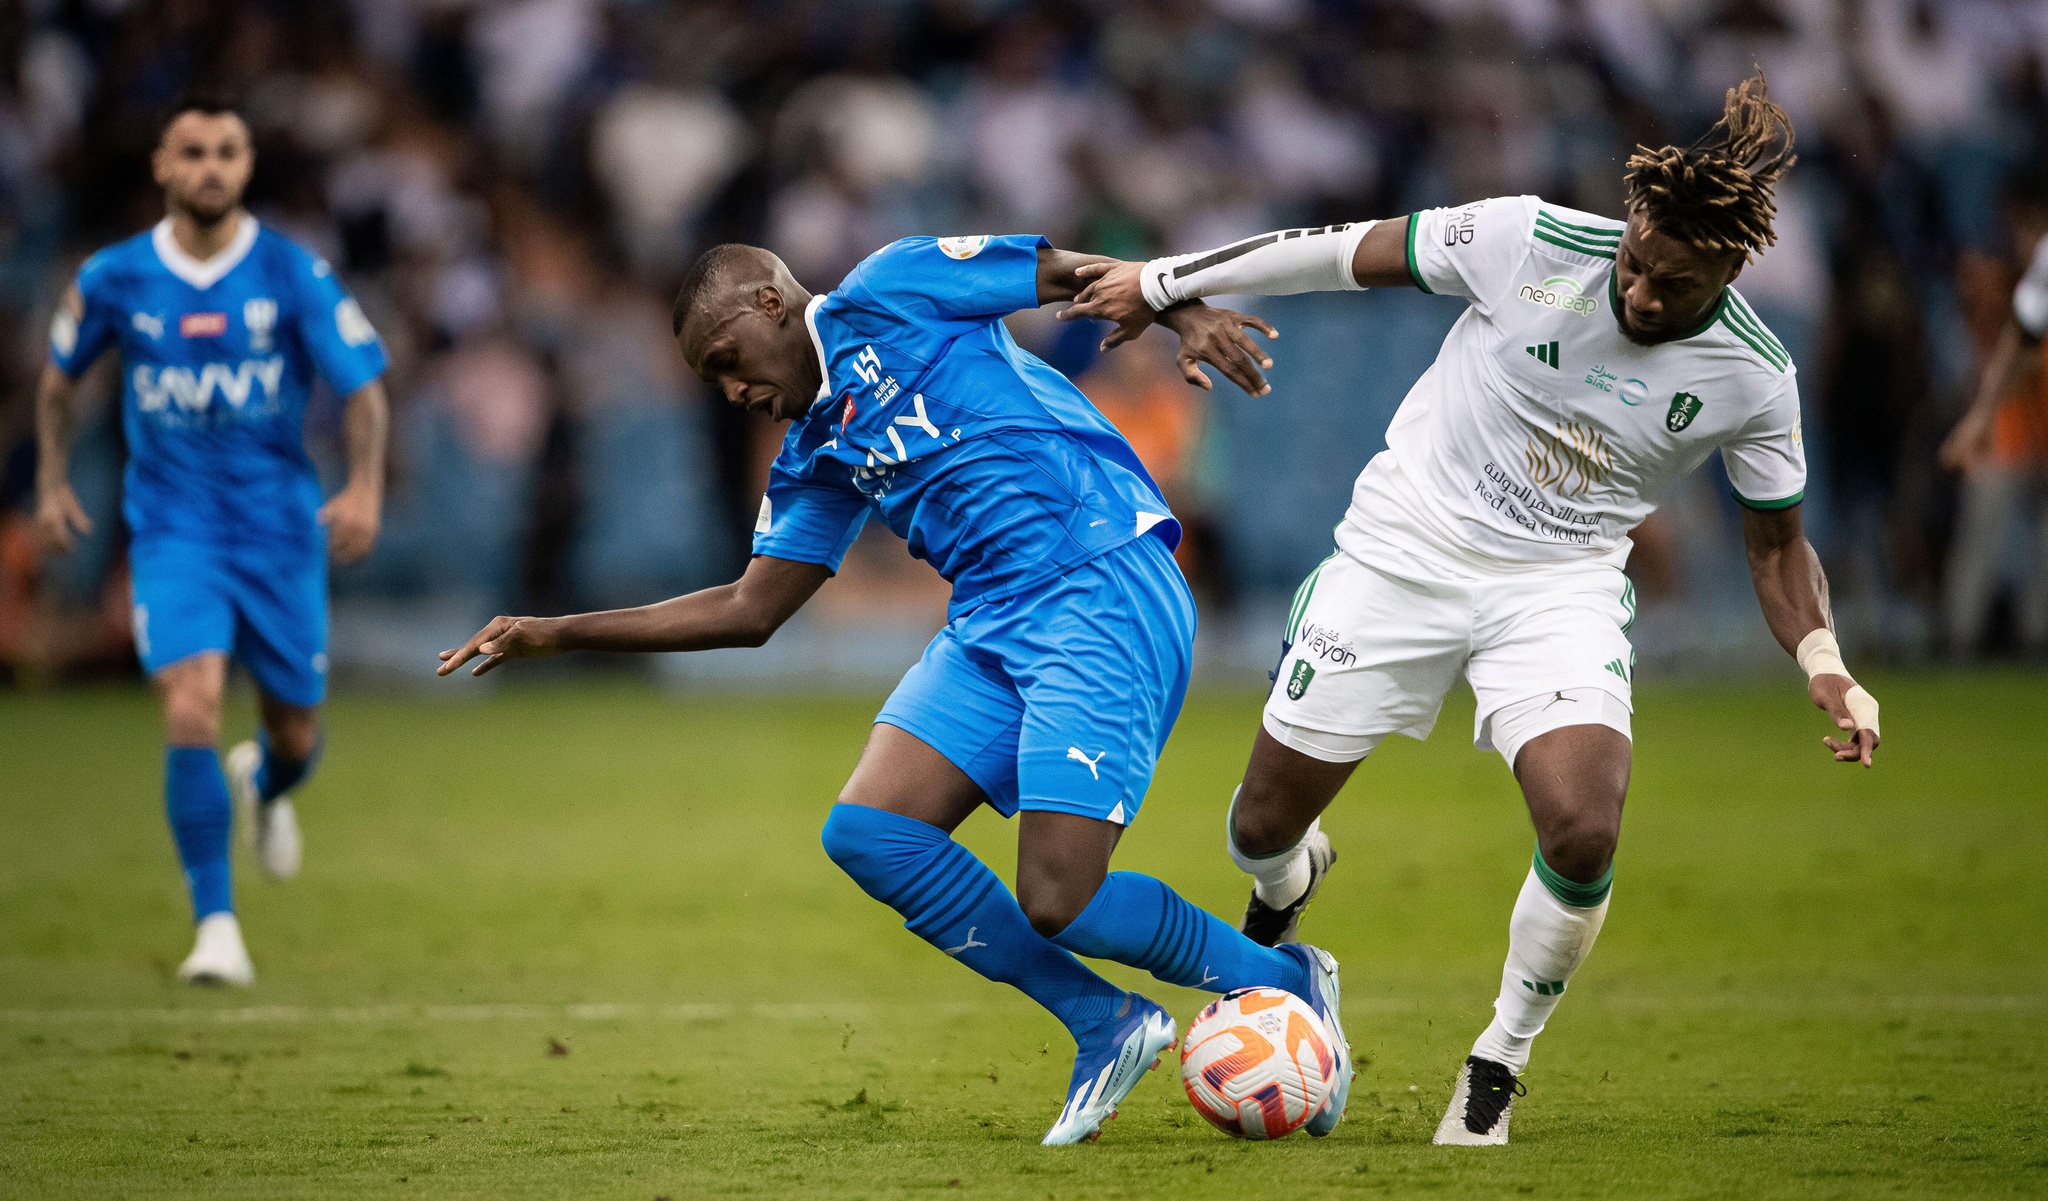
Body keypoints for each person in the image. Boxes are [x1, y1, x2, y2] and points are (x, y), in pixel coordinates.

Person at [1062, 73, 1882, 1144]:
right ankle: (1293, 886)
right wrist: (1163, 280)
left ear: (1726, 272)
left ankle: (1496, 1061)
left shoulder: (1752, 378)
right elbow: (1335, 247)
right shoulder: (1530, 240)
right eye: (1633, 263)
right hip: (1400, 551)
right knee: (1259, 827)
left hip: (1557, 589)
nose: (1637, 293)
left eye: (1669, 285)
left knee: (1583, 827)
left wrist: (1824, 660)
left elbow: (1776, 546)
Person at [436, 234, 1351, 1145]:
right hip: (991, 620)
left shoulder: (894, 286)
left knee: (1058, 896)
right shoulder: (813, 448)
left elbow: (1075, 273)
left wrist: (1184, 314)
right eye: (711, 382)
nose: (731, 391)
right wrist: (557, 629)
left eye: (725, 362)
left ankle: (1285, 979)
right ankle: (1104, 1022)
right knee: (871, 830)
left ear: (769, 305)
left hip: (1095, 580)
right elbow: (752, 607)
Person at [33, 95, 390, 986]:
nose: (210, 168)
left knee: (296, 734)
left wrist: (363, 487)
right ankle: (217, 927)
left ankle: (262, 783)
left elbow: (365, 390)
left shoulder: (292, 272)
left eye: (226, 151)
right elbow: (56, 382)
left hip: (278, 533)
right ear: (162, 165)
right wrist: (48, 480)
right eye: (192, 151)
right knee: (188, 701)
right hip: (172, 530)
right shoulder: (114, 277)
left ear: (248, 164)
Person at [1938, 182, 2048, 657]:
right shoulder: (2006, 279)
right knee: (1980, 539)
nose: (2028, 237)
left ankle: (2036, 641)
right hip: (2008, 433)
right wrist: (1980, 418)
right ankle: (1958, 640)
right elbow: (2011, 345)